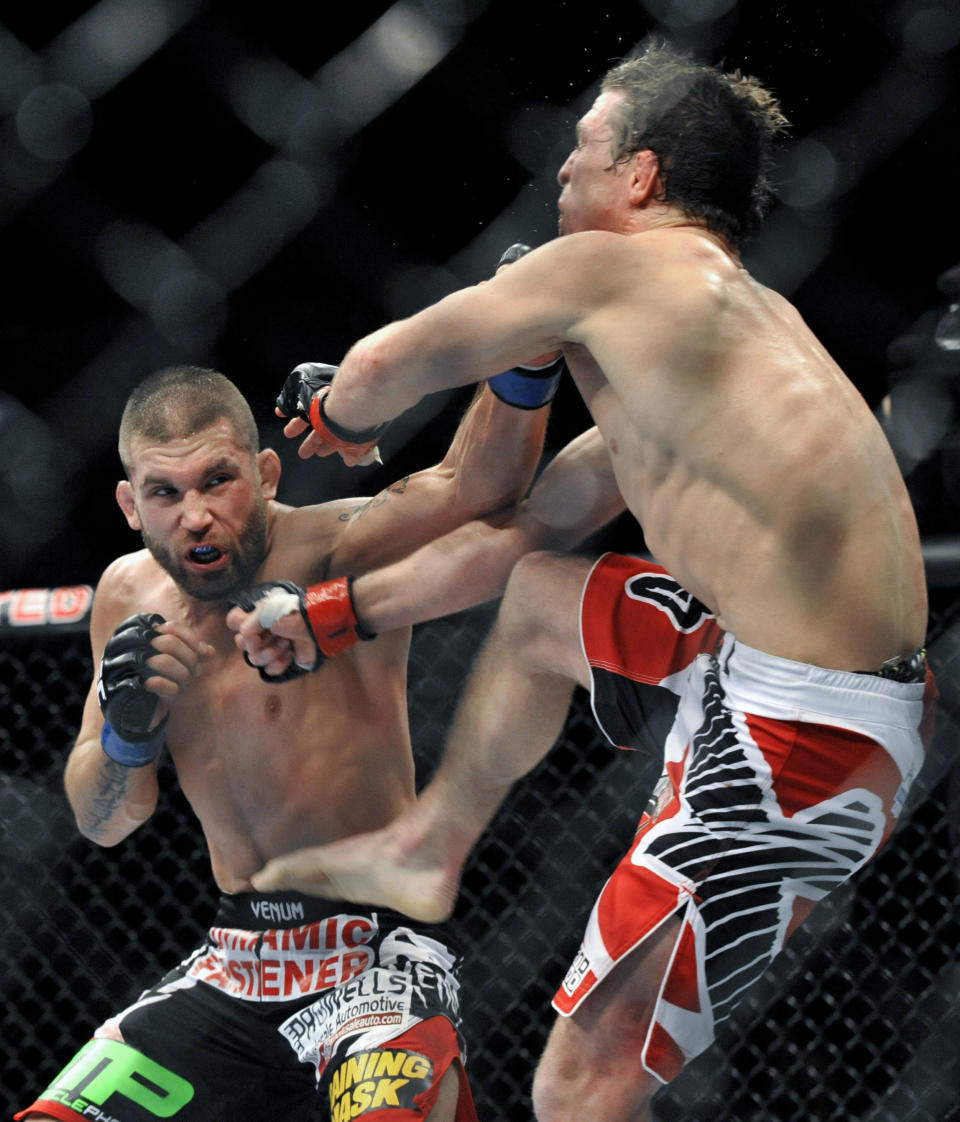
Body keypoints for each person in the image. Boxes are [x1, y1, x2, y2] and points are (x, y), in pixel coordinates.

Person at [235, 41, 937, 1122]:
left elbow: (377, 373)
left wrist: (335, 412)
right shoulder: (719, 345)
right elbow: (525, 529)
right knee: (541, 604)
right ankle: (428, 848)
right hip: (773, 674)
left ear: (641, 177)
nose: (560, 173)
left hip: (800, 744)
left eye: (583, 150)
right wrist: (332, 615)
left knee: (583, 1082)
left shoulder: (610, 269)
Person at [15, 336, 626, 1122]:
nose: (196, 515)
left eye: (218, 480)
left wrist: (523, 358)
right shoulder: (125, 597)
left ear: (265, 476)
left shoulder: (340, 545)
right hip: (232, 965)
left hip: (374, 956)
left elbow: (479, 484)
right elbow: (105, 820)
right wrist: (128, 736)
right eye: (164, 493)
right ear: (132, 505)